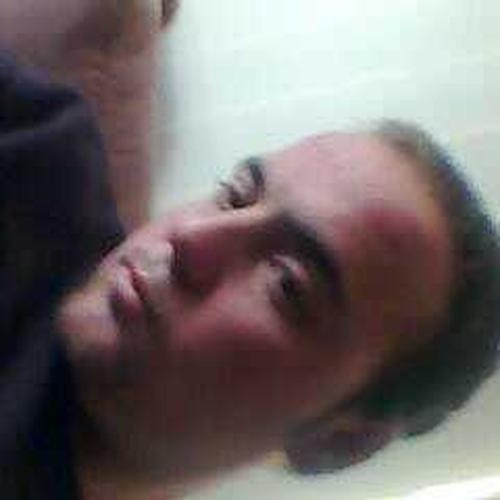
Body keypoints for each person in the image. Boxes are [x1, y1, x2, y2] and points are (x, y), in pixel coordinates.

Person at [0, 2, 499, 499]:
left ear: (335, 443)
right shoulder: (39, 162)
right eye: (236, 195)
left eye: (286, 283)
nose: (190, 237)